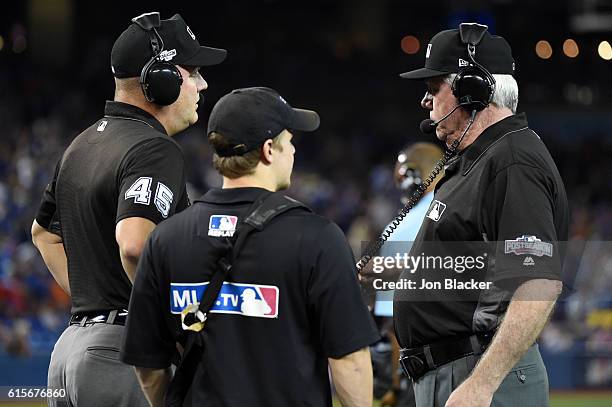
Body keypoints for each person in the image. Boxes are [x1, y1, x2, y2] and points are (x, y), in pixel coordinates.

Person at [120, 87, 380, 407]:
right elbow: (350, 359)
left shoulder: (166, 238)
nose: (294, 152)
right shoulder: (317, 237)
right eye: (290, 141)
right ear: (269, 150)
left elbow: (147, 363)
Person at [30, 12, 226, 407]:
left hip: (70, 350)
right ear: (162, 80)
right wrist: (178, 326)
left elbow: (43, 233)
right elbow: (135, 245)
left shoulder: (82, 143)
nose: (203, 85)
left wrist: (96, 300)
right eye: (193, 72)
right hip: (120, 356)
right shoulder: (154, 148)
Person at [392, 23, 569, 407]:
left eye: (433, 87)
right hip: (455, 371)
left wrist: (483, 383)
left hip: (480, 373)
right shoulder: (482, 159)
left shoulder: (512, 160)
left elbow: (537, 283)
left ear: (471, 90)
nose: (426, 101)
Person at [372, 143, 443, 407]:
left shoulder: (402, 227)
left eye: (400, 179)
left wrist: (393, 383)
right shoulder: (468, 212)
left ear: (412, 176)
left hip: (422, 372)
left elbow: (393, 321)